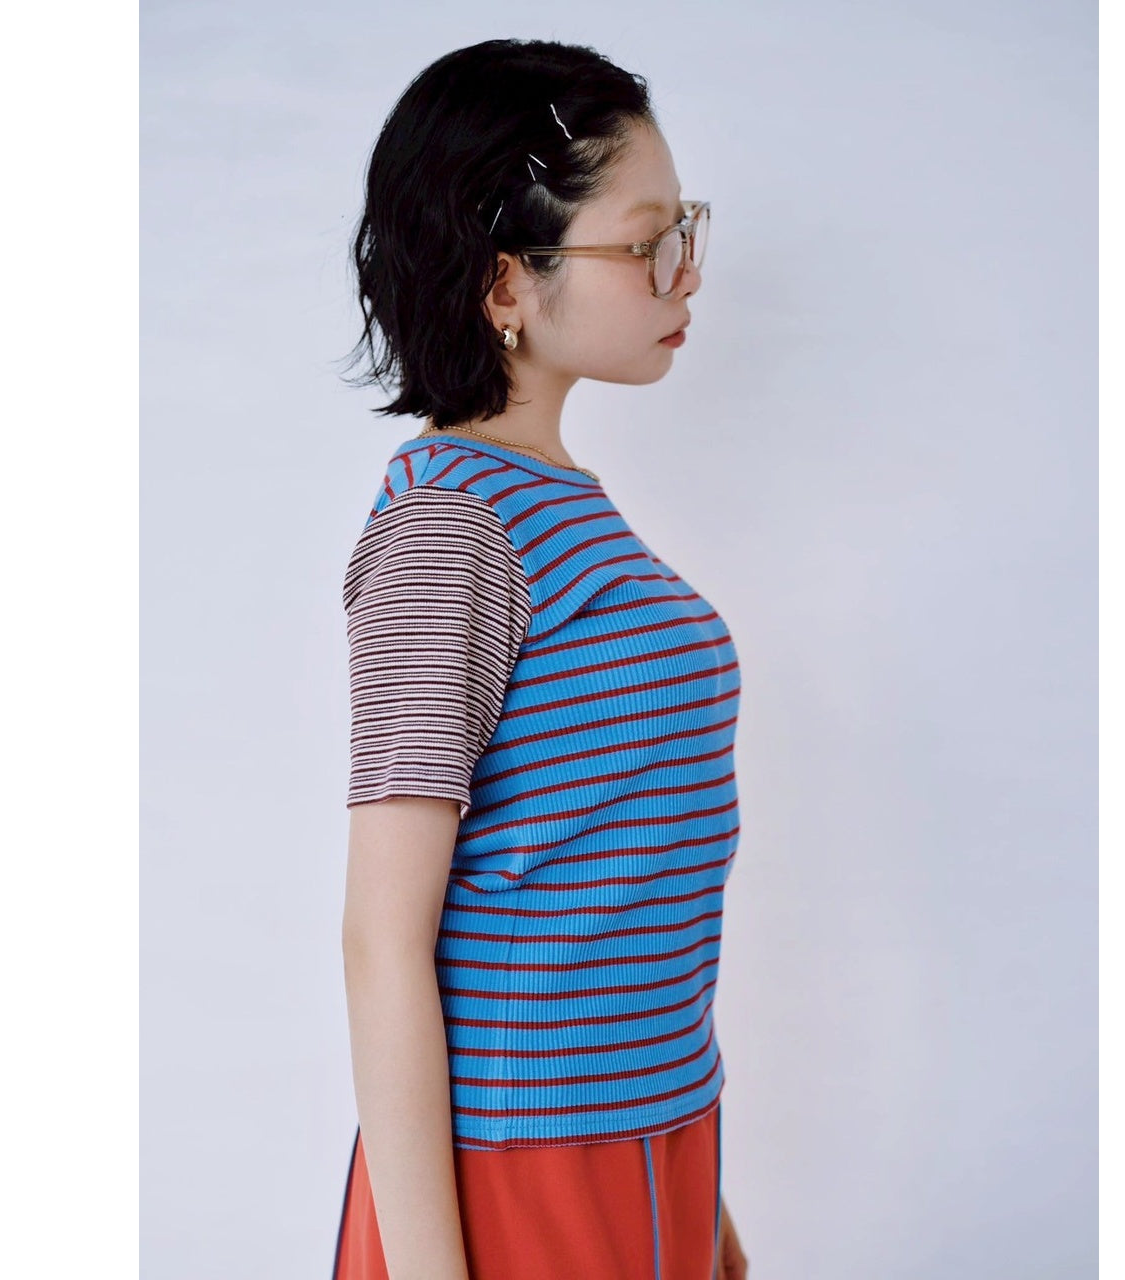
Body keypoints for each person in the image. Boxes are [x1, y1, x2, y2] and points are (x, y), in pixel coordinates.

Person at [330, 37, 749, 1280]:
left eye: (686, 231)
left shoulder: (555, 501)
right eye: (646, 242)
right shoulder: (449, 528)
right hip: (521, 1171)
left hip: (654, 1137)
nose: (683, 272)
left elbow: (622, 883)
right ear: (505, 280)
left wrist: (706, 1210)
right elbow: (381, 939)